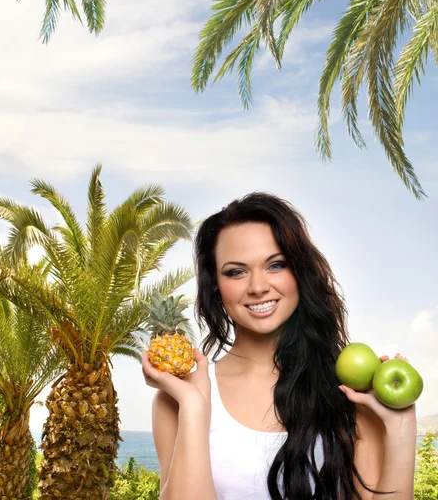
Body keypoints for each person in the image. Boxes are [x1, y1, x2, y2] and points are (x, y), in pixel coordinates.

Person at [141, 192, 417, 500]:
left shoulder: (350, 389)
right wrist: (194, 408)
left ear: (299, 272)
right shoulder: (176, 401)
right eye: (236, 271)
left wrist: (402, 426)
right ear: (216, 285)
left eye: (276, 265)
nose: (258, 287)